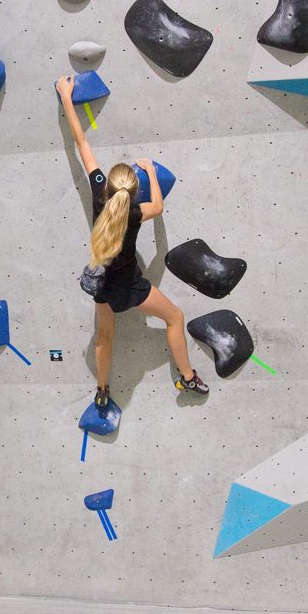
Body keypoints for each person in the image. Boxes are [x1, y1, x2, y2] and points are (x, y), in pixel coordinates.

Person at [56, 74, 209, 405]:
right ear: (132, 194)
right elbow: (159, 206)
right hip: (129, 289)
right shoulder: (136, 214)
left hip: (101, 286)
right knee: (175, 317)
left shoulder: (99, 193)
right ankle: (188, 378)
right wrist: (151, 172)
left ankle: (101, 390)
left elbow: (82, 144)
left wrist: (67, 97)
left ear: (107, 185)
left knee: (105, 337)